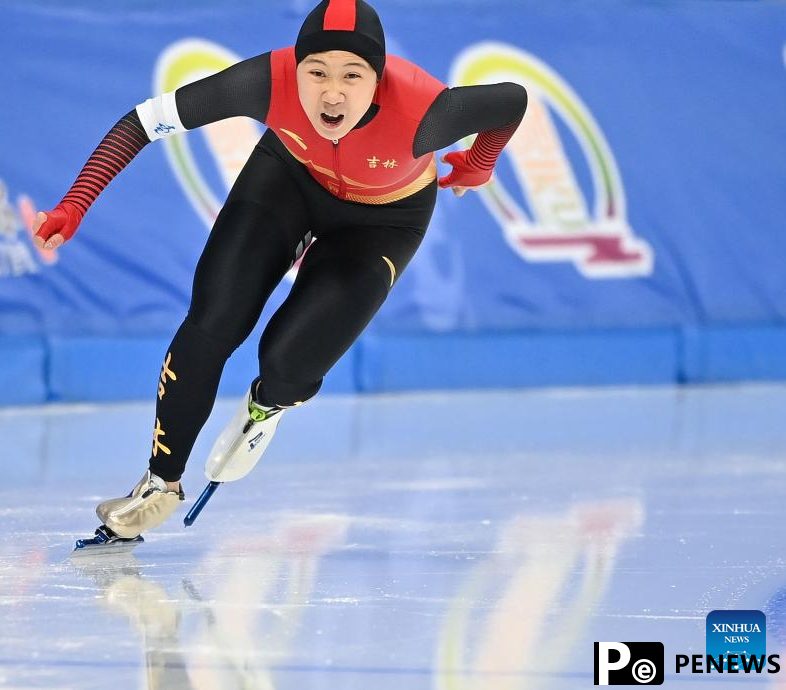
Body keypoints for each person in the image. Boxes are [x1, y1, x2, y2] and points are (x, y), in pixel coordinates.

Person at [32, 0, 527, 542]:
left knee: (289, 359)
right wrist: (76, 202)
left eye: (351, 76)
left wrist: (479, 165)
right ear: (296, 68)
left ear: (378, 78)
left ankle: (267, 405)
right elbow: (141, 123)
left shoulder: (428, 110)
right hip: (287, 181)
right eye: (316, 72)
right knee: (214, 318)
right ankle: (159, 484)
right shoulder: (264, 81)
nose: (331, 93)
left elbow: (512, 102)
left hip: (385, 221)